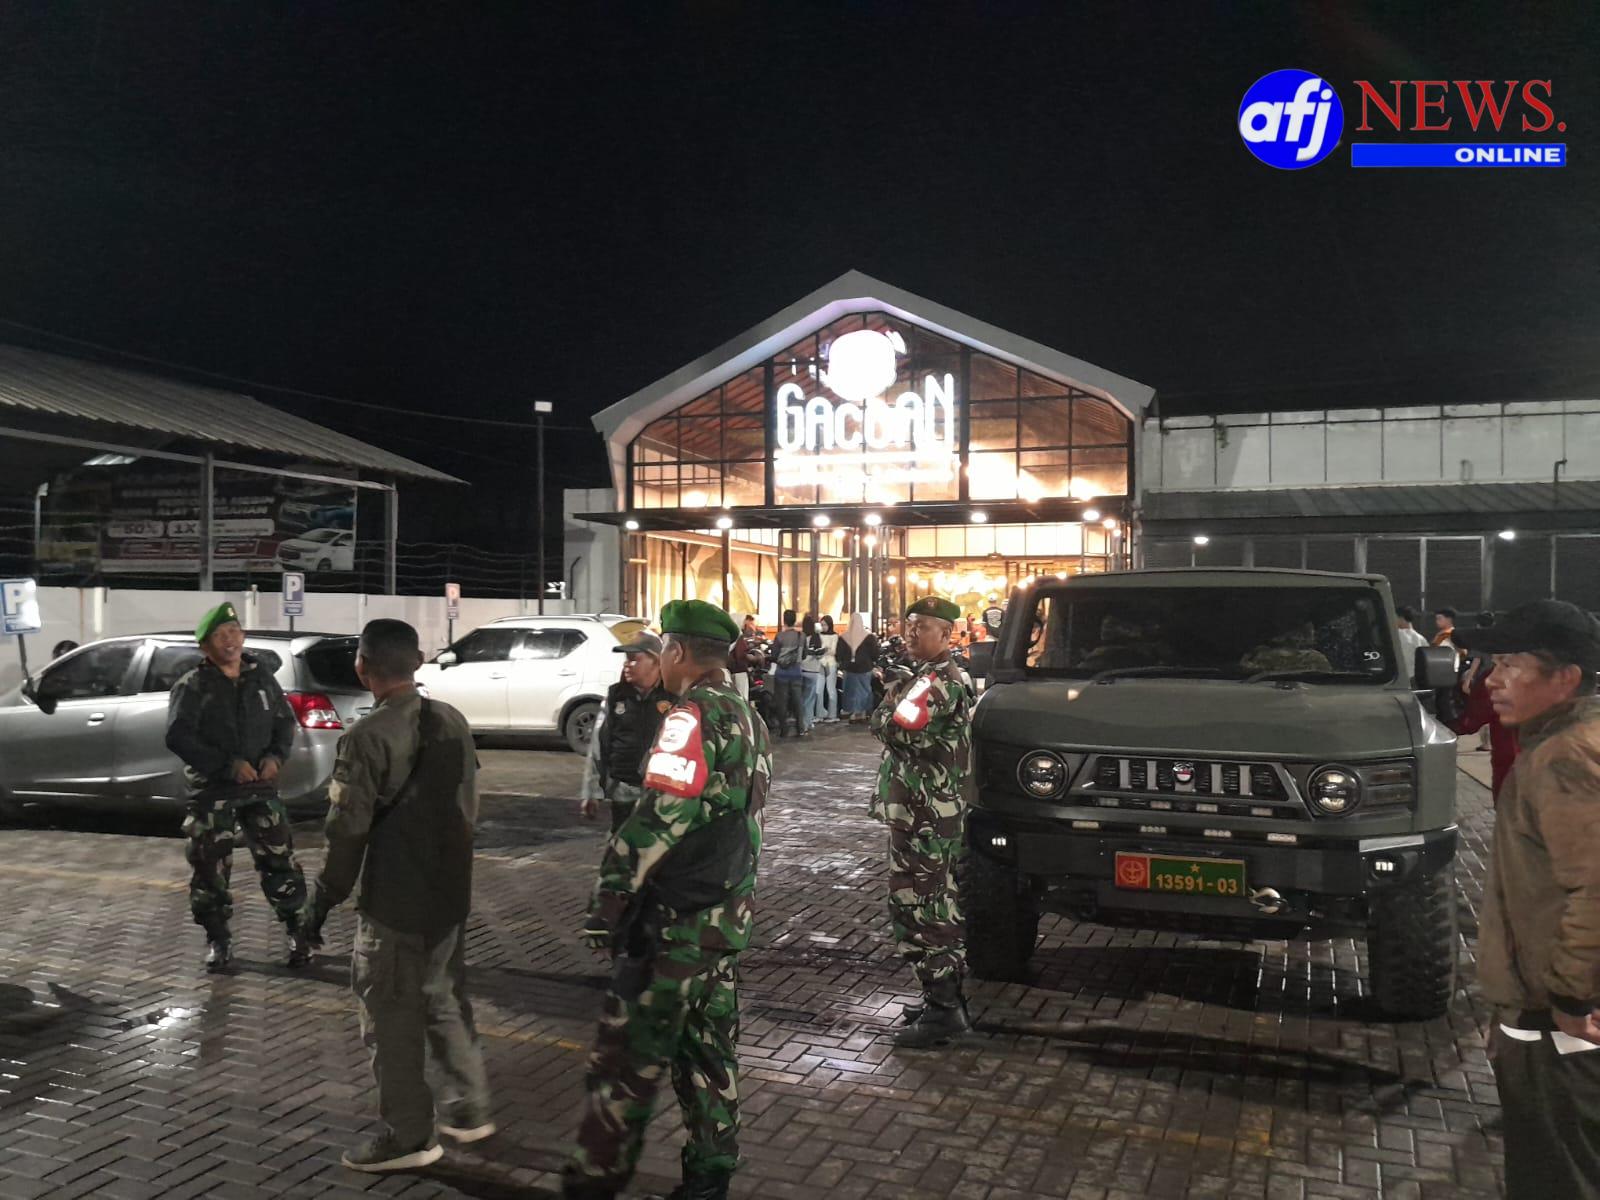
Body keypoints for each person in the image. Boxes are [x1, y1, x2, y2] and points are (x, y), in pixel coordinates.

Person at [564, 600, 772, 1200]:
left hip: (675, 923)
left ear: (676, 652)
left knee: (624, 1061)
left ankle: (592, 1182)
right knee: (708, 1055)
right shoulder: (746, 713)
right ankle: (709, 1177)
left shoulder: (692, 716)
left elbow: (658, 820)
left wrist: (608, 905)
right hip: (724, 913)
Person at [300, 618, 491, 1173]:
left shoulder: (367, 736)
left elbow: (347, 831)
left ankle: (408, 1136)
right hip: (449, 892)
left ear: (362, 666)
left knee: (388, 1015)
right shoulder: (451, 719)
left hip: (394, 899)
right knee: (443, 995)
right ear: (418, 661)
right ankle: (470, 1106)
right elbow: (469, 804)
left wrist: (321, 902)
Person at [1453, 601, 1600, 1200]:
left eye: (1512, 664)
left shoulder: (1566, 758)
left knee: (1555, 1175)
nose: (1493, 680)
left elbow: (1594, 888)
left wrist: (1569, 999)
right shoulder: (1560, 743)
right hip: (1542, 1009)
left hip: (1558, 1020)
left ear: (1565, 678)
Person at [165, 602, 310, 973]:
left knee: (280, 861)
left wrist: (276, 757)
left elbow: (284, 722)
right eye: (219, 635)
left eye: (234, 632)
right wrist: (227, 766)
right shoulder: (192, 686)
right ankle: (218, 938)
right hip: (212, 794)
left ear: (243, 637)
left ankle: (298, 931)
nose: (229, 640)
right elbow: (179, 736)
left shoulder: (261, 679)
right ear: (205, 646)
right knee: (209, 870)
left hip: (260, 790)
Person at [868, 595, 974, 1048]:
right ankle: (941, 998)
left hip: (925, 813)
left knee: (922, 903)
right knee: (931, 898)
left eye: (923, 626)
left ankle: (945, 1010)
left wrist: (890, 696)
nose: (911, 632)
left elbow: (892, 727)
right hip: (925, 810)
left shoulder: (935, 681)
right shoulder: (927, 677)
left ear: (947, 634)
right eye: (909, 624)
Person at [582, 630, 675, 832]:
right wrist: (592, 790)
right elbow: (599, 744)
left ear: (655, 661)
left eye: (634, 659)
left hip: (661, 794)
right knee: (622, 845)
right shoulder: (616, 696)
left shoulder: (673, 696)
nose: (627, 664)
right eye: (626, 659)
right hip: (623, 791)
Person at [769, 609, 808, 738]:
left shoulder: (779, 636)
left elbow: (774, 655)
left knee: (782, 703)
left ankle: (784, 730)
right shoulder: (801, 636)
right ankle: (800, 728)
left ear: (784, 620)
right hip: (796, 672)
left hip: (781, 673)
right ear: (795, 620)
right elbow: (804, 654)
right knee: (798, 701)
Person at [837, 612, 879, 724]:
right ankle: (863, 713)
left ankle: (853, 713)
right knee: (864, 690)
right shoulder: (869, 637)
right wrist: (873, 662)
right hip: (865, 668)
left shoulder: (844, 637)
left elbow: (839, 654)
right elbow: (875, 653)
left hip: (849, 668)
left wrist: (842, 663)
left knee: (850, 691)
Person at [800, 615, 826, 725]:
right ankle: (808, 721)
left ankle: (802, 721)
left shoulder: (800, 636)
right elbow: (820, 655)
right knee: (810, 699)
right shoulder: (816, 637)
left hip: (801, 669)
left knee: (802, 697)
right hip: (814, 671)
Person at [816, 615, 840, 723]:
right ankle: (819, 714)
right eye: (821, 625)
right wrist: (826, 649)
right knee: (818, 690)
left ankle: (832, 714)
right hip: (820, 663)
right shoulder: (818, 635)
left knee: (831, 689)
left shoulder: (834, 636)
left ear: (829, 624)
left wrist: (823, 650)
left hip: (831, 664)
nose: (823, 627)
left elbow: (833, 651)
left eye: (825, 625)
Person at [1396, 605, 1429, 680]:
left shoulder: (1397, 635)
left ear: (1401, 618)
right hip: (1416, 678)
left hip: (1401, 678)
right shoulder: (1421, 639)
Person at [729, 616, 757, 701]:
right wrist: (751, 658)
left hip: (730, 670)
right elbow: (741, 654)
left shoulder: (729, 635)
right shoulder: (738, 636)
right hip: (739, 671)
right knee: (742, 698)